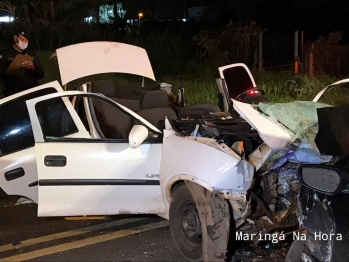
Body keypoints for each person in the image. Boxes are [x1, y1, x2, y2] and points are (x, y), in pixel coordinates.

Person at [0, 25, 44, 97]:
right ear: (15, 38)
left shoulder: (31, 53)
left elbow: (41, 74)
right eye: (22, 39)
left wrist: (32, 68)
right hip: (15, 94)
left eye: (26, 41)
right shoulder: (5, 54)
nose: (24, 42)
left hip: (32, 91)